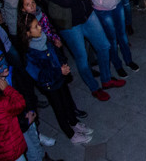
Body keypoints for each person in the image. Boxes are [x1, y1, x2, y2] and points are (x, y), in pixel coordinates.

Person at [35, 0, 122, 101]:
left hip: (86, 13)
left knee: (104, 46)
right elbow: (64, 0)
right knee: (82, 58)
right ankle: (94, 87)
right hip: (69, 23)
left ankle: (106, 79)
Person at [20, 13, 93, 146]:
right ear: (28, 33)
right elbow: (39, 75)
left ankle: (74, 123)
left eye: (39, 24)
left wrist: (62, 63)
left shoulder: (44, 39)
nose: (40, 28)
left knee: (67, 101)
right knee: (59, 107)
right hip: (50, 84)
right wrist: (58, 71)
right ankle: (70, 133)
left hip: (60, 78)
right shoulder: (29, 54)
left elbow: (55, 54)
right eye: (36, 27)